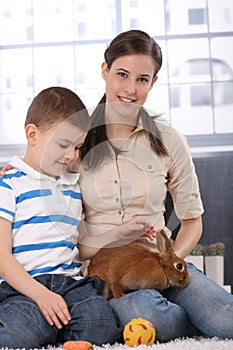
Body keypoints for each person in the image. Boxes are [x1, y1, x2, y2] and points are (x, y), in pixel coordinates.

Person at [77, 30, 233, 342]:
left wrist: (169, 263)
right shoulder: (75, 141)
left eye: (142, 79)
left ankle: (192, 312)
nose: (130, 89)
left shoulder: (169, 140)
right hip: (112, 276)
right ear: (105, 70)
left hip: (162, 264)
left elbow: (191, 220)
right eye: (122, 74)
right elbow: (38, 165)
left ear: (153, 82)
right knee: (147, 314)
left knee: (225, 320)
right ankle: (187, 324)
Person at [0, 86, 156, 349]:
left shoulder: (71, 188)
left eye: (77, 147)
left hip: (71, 284)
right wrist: (41, 295)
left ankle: (59, 333)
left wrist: (122, 233)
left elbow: (80, 247)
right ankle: (48, 326)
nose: (71, 155)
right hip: (25, 288)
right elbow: (2, 258)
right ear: (32, 134)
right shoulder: (9, 185)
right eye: (63, 145)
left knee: (103, 326)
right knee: (20, 332)